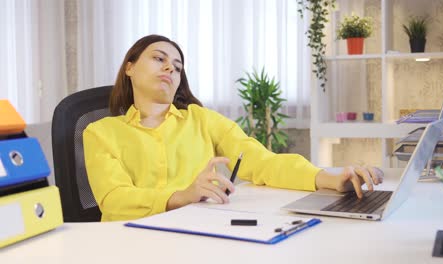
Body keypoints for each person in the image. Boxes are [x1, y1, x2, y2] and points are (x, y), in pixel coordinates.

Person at [83, 34, 383, 222]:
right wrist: (181, 196)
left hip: (196, 236)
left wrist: (329, 177)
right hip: (128, 244)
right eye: (159, 59)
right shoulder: (100, 132)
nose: (169, 69)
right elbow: (114, 199)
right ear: (130, 67)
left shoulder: (202, 120)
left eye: (176, 67)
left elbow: (261, 161)